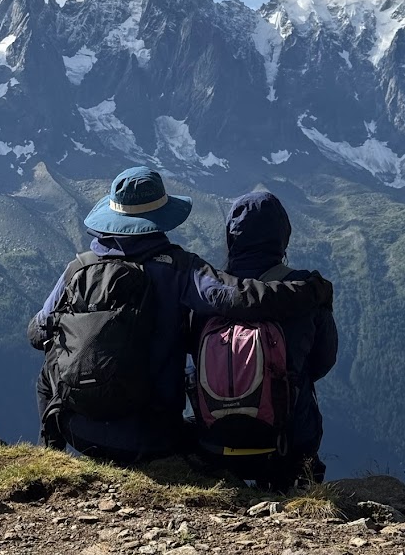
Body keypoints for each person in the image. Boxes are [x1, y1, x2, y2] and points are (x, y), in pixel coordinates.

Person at [28, 166, 333, 464]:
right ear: (159, 218)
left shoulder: (79, 268)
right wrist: (310, 292)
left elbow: (37, 333)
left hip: (79, 433)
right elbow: (240, 298)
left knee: (50, 365)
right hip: (153, 439)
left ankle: (49, 453)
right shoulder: (179, 269)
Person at [191, 190, 337, 489]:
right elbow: (323, 361)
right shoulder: (305, 289)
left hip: (213, 442)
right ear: (282, 237)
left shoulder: (208, 293)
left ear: (232, 238)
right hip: (286, 445)